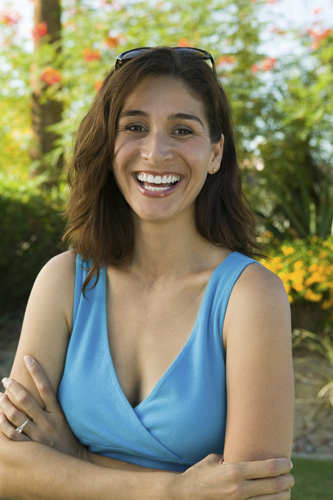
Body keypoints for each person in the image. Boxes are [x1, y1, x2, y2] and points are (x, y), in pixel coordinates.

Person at [0, 46, 294, 499]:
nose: (155, 152)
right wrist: (174, 491)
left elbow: (254, 494)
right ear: (108, 143)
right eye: (135, 127)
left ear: (215, 153)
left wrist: (76, 461)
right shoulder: (65, 281)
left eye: (182, 130)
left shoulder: (249, 296)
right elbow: (7, 466)